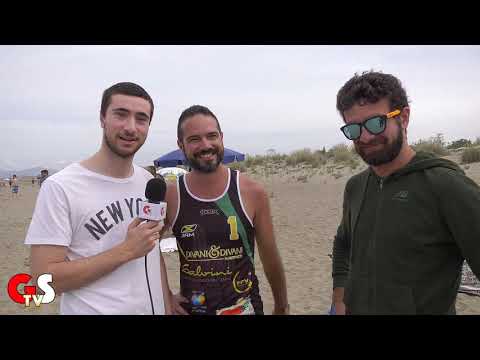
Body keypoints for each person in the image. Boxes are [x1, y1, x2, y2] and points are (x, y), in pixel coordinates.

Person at [331, 71, 480, 315]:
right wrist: (339, 298)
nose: (365, 137)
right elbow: (343, 242)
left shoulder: (445, 185)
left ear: (404, 117)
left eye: (376, 123)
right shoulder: (355, 187)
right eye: (354, 129)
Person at [25, 82, 170, 315]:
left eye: (141, 119)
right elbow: (43, 281)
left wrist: (168, 301)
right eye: (121, 115)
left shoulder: (147, 181)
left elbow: (152, 253)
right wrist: (126, 250)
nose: (131, 127)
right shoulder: (61, 187)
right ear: (102, 118)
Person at [162, 105, 289, 315]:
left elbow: (270, 257)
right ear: (181, 145)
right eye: (194, 139)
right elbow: (147, 250)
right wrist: (165, 294)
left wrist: (282, 305)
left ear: (221, 137)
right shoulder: (171, 195)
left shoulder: (252, 192)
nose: (206, 145)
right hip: (194, 307)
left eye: (212, 136)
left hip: (244, 307)